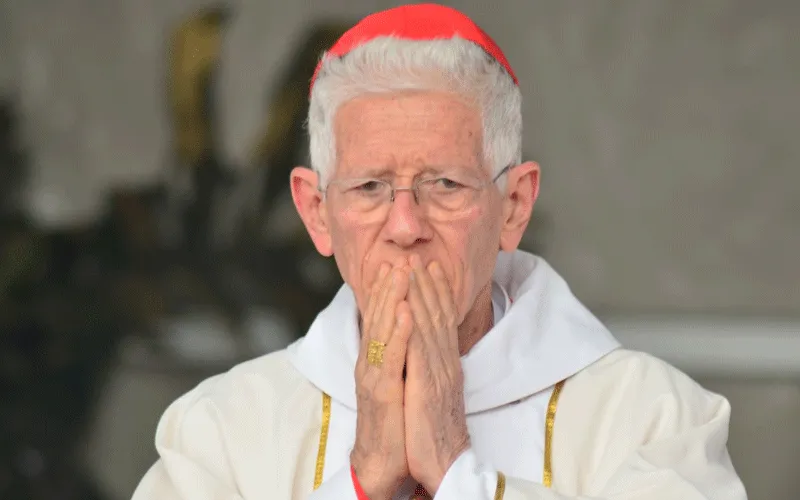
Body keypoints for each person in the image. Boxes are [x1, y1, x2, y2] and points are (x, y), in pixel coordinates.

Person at [131, 4, 747, 500]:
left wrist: (456, 471)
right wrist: (361, 480)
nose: (405, 225)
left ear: (514, 206)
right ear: (317, 213)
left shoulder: (648, 419)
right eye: (370, 187)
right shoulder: (221, 432)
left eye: (445, 185)